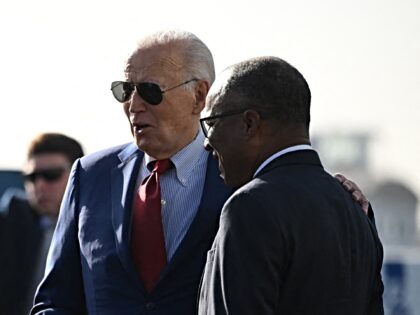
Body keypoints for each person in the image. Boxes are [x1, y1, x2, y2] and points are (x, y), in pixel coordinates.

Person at [31, 30, 372, 315]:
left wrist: (348, 206)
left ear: (199, 95)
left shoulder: (250, 183)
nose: (134, 105)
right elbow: (55, 301)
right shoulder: (90, 176)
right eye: (125, 90)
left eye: (150, 91)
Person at [197, 56, 384, 314]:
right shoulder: (355, 210)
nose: (206, 143)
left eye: (211, 124)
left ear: (249, 123)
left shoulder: (250, 206)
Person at [0, 132, 84, 315]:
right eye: (31, 177)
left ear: (79, 175)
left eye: (51, 175)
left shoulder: (103, 228)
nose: (39, 185)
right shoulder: (12, 222)